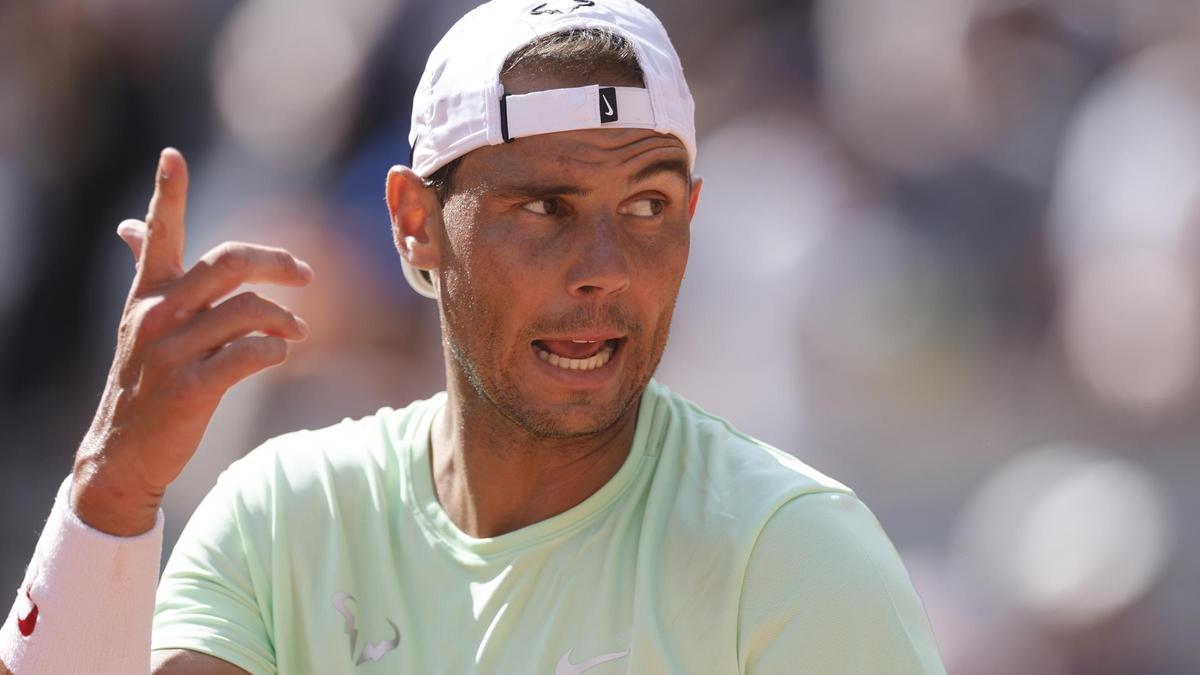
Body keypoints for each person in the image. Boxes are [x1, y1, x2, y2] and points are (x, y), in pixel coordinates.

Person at [0, 0, 945, 672]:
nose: (606, 266)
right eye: (544, 206)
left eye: (649, 205)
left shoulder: (792, 553)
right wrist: (112, 488)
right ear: (415, 223)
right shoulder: (282, 517)